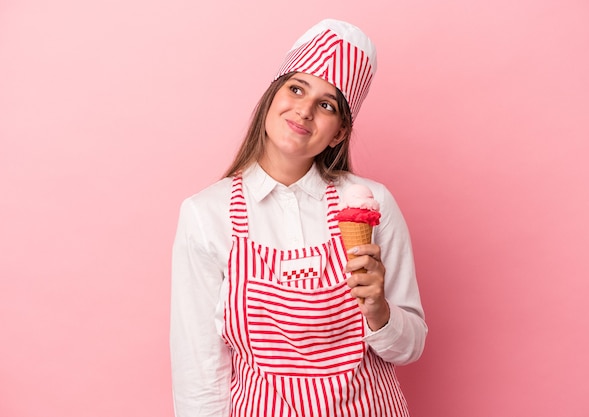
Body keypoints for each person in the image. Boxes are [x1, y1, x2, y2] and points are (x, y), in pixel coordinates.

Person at [170, 18, 428, 417]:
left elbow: (410, 348)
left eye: (326, 105)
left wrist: (379, 309)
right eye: (296, 89)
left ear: (340, 132)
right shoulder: (207, 215)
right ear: (272, 97)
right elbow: (199, 368)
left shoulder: (373, 203)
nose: (304, 111)